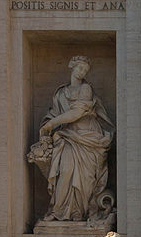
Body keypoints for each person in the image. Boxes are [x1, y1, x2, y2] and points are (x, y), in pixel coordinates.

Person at [33, 56, 114, 222]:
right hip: (67, 138)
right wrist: (49, 126)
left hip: (88, 138)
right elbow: (54, 114)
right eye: (80, 68)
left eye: (85, 70)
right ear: (72, 67)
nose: (82, 72)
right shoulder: (61, 93)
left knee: (85, 179)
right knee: (65, 172)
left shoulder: (86, 89)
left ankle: (79, 213)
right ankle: (59, 211)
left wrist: (52, 124)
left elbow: (76, 113)